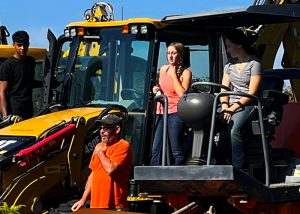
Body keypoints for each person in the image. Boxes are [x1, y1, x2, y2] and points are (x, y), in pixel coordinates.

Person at [71, 113, 133, 211]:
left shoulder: (123, 146)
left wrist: (100, 153)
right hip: (96, 205)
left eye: (106, 128)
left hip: (115, 207)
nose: (102, 132)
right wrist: (83, 200)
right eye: (101, 128)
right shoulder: (99, 146)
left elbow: (111, 170)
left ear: (117, 129)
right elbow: (93, 175)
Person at [220, 29, 262, 169]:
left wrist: (232, 109)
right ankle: (215, 161)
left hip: (248, 104)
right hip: (229, 105)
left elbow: (252, 92)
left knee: (233, 128)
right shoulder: (229, 66)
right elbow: (224, 89)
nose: (228, 49)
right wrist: (225, 106)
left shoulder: (254, 64)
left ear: (239, 45)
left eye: (229, 46)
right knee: (207, 121)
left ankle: (238, 167)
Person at [151, 42, 192, 166]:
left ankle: (177, 176)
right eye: (168, 53)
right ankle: (154, 177)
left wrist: (174, 75)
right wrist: (155, 90)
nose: (170, 56)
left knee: (176, 149)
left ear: (180, 55)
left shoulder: (186, 73)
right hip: (161, 111)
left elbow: (181, 94)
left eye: (173, 53)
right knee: (156, 149)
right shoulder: (163, 69)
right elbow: (163, 88)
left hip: (175, 112)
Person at [0, 30, 35, 120]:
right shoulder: (7, 65)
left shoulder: (31, 61)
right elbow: (2, 91)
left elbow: (27, 81)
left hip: (29, 109)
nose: (22, 48)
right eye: (19, 45)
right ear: (14, 45)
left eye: (25, 45)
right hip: (14, 112)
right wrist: (5, 116)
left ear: (28, 44)